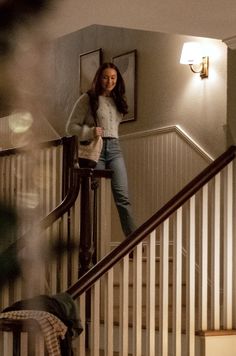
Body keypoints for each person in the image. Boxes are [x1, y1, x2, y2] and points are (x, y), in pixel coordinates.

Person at [66, 62, 136, 237]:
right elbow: (70, 127)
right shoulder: (87, 99)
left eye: (113, 77)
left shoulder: (119, 100)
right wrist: (89, 131)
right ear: (99, 78)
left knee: (122, 198)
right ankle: (92, 245)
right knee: (94, 200)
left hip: (115, 149)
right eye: (105, 77)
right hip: (95, 149)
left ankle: (133, 240)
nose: (109, 81)